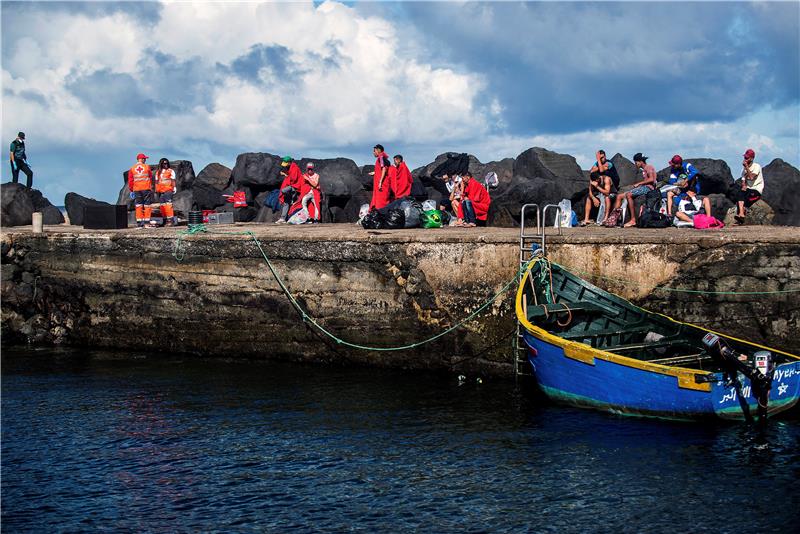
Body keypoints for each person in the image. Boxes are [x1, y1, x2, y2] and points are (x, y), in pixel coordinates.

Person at [619, 153, 658, 227]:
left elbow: (652, 179)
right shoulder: (645, 169)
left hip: (648, 188)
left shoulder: (648, 167)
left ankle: (633, 219)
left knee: (628, 194)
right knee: (621, 195)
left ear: (640, 161)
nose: (635, 164)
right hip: (645, 187)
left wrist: (639, 183)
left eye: (636, 162)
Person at [735, 148, 764, 224]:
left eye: (747, 158)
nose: (745, 159)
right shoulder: (743, 169)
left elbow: (751, 177)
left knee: (745, 197)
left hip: (756, 190)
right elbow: (743, 181)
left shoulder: (756, 166)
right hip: (749, 189)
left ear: (751, 158)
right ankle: (741, 214)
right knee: (740, 193)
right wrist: (744, 185)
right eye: (744, 157)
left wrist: (746, 167)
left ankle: (741, 215)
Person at [128, 153, 154, 227]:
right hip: (146, 188)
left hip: (136, 189)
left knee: (138, 205)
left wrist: (131, 190)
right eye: (144, 159)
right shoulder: (146, 167)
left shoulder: (132, 168)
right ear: (141, 159)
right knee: (147, 205)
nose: (145, 160)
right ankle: (147, 223)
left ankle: (139, 223)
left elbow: (130, 181)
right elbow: (150, 177)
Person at [276, 156, 303, 224]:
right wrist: (286, 174)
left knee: (283, 191)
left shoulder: (295, 168)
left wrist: (285, 175)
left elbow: (293, 180)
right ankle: (283, 218)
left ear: (289, 163)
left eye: (286, 163)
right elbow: (290, 177)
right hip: (291, 186)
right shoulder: (289, 168)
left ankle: (293, 197)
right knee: (286, 202)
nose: (285, 165)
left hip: (296, 186)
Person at [154, 158, 177, 226]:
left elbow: (173, 180)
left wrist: (174, 187)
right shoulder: (158, 172)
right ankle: (164, 220)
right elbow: (156, 182)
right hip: (160, 191)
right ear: (161, 164)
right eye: (164, 163)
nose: (166, 164)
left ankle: (171, 221)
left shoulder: (171, 171)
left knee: (168, 205)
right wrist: (156, 190)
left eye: (167, 163)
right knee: (162, 206)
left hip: (168, 190)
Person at [369, 144, 391, 210]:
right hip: (384, 183)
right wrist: (375, 173)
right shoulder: (384, 158)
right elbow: (382, 169)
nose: (373, 152)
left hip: (382, 184)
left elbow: (384, 168)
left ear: (378, 150)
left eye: (374, 151)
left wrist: (380, 182)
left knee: (381, 201)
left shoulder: (381, 157)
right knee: (383, 200)